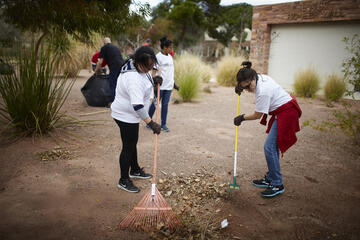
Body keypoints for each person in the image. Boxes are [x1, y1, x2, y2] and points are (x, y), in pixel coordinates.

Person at [234, 61, 302, 198]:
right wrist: (239, 86)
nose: (248, 90)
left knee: (269, 147)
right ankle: (271, 178)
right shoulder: (258, 77)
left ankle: (277, 183)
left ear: (253, 79)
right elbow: (249, 83)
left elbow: (257, 115)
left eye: (248, 87)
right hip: (281, 110)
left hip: (287, 112)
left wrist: (241, 118)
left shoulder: (263, 91)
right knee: (272, 146)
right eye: (244, 88)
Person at [111, 46, 163, 193]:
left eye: (150, 66)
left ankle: (134, 169)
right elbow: (138, 106)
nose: (148, 69)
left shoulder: (138, 66)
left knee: (132, 142)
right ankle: (123, 179)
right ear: (137, 61)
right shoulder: (132, 78)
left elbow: (144, 79)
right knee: (128, 145)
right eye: (146, 66)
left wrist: (154, 80)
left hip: (129, 114)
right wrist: (151, 123)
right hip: (126, 115)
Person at [147, 37, 176, 132]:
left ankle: (163, 124)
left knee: (165, 105)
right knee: (155, 104)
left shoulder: (170, 57)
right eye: (170, 47)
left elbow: (170, 72)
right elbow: (154, 72)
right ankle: (149, 122)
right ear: (164, 47)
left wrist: (174, 83)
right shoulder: (158, 57)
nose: (171, 49)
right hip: (160, 86)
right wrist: (155, 83)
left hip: (169, 86)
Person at [95, 37, 124, 104]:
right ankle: (119, 101)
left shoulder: (104, 47)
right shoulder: (115, 47)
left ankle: (112, 102)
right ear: (110, 42)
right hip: (122, 66)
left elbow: (100, 62)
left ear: (104, 42)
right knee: (118, 84)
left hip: (114, 67)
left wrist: (96, 70)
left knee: (112, 84)